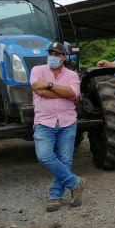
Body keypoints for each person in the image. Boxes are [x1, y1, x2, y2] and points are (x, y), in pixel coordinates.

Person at [30, 41, 86, 212]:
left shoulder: (72, 75)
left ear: (63, 57)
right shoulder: (37, 70)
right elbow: (37, 89)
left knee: (64, 160)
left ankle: (55, 196)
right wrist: (62, 92)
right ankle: (75, 182)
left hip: (67, 121)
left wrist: (49, 86)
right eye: (50, 53)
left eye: (56, 54)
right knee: (44, 156)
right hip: (44, 121)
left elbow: (73, 93)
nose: (52, 57)